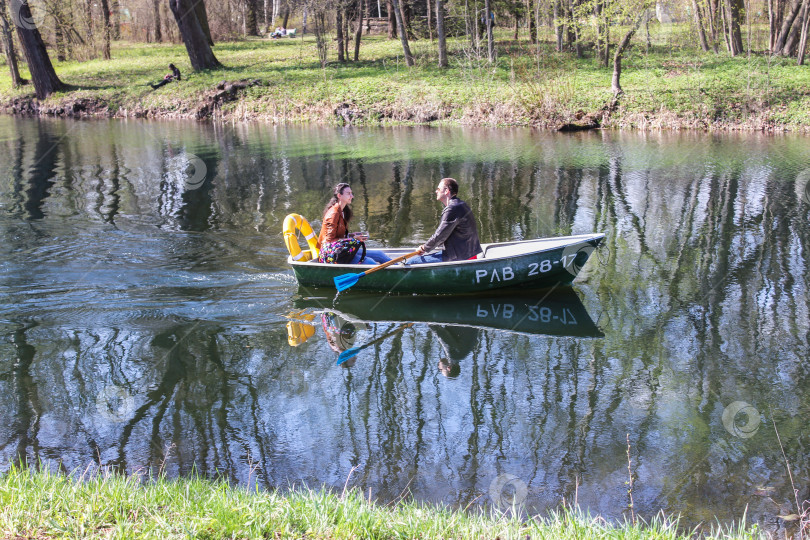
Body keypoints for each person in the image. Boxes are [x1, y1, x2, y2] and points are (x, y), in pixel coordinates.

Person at [408, 178, 481, 264]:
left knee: (412, 262)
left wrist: (424, 248)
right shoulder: (461, 204)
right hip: (468, 253)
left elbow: (440, 235)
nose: (436, 191)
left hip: (460, 256)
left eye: (438, 189)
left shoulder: (452, 208)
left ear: (446, 191)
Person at [318, 183, 392, 265]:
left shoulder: (342, 211)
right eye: (348, 193)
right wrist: (354, 239)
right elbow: (329, 241)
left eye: (351, 193)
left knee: (379, 254)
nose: (352, 196)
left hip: (341, 250)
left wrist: (352, 236)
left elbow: (338, 237)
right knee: (370, 262)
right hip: (331, 255)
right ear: (339, 196)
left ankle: (401, 269)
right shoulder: (333, 214)